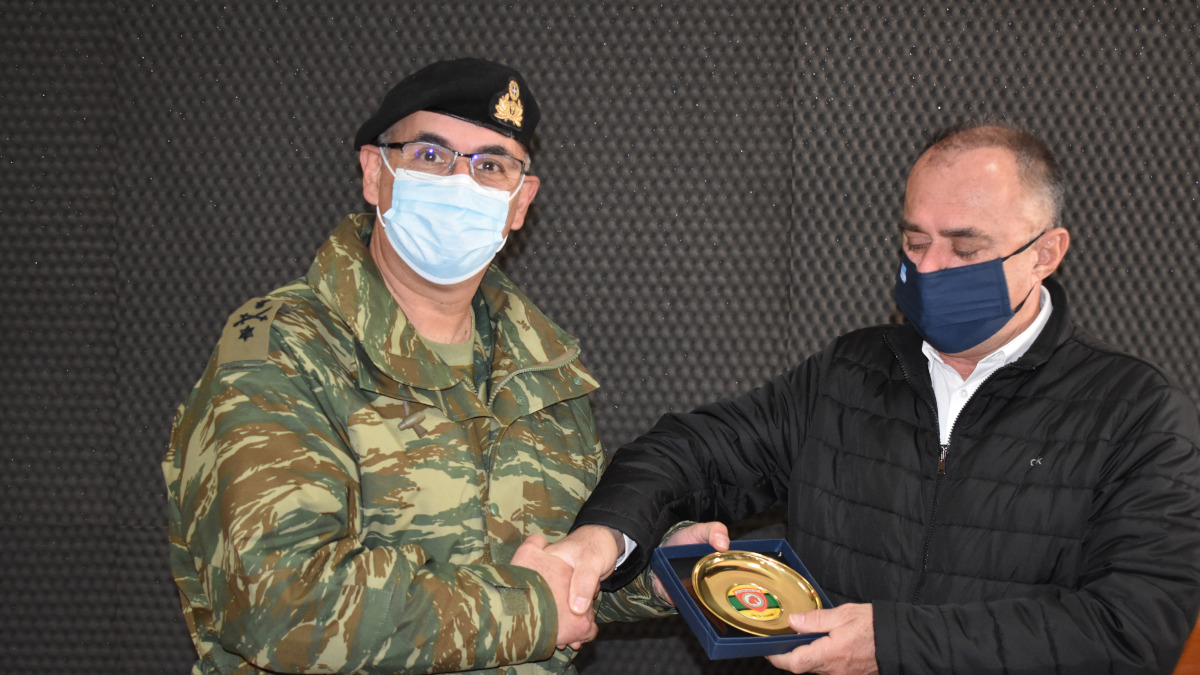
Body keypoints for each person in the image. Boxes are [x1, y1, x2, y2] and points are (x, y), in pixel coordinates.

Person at [551, 122, 1200, 674]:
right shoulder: (849, 373)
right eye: (916, 242)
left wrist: (893, 644)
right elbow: (691, 450)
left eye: (965, 248)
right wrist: (606, 533)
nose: (930, 268)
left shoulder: (1137, 413)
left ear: (1046, 254)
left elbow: (1134, 630)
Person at [162, 58, 676, 675]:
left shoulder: (540, 366)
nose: (461, 184)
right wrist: (528, 610)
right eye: (431, 156)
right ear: (374, 171)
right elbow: (279, 601)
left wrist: (663, 569)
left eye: (491, 166)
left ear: (521, 202)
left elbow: (560, 567)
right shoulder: (283, 349)